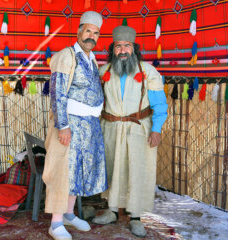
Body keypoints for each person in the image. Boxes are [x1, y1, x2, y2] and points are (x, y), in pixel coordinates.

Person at [92, 25, 168, 237]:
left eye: (127, 46)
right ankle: (112, 211)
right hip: (110, 128)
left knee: (137, 171)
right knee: (113, 169)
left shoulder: (148, 71)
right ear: (112, 49)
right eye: (118, 46)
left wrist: (156, 129)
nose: (123, 50)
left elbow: (160, 105)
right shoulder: (103, 72)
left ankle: (135, 217)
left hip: (139, 129)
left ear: (134, 48)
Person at [42, 11, 107, 240]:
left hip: (88, 126)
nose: (92, 36)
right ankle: (56, 222)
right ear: (79, 31)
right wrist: (63, 126)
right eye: (88, 30)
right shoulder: (66, 55)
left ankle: (69, 214)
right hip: (69, 125)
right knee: (62, 172)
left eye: (96, 33)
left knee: (77, 172)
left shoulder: (91, 58)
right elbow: (57, 92)